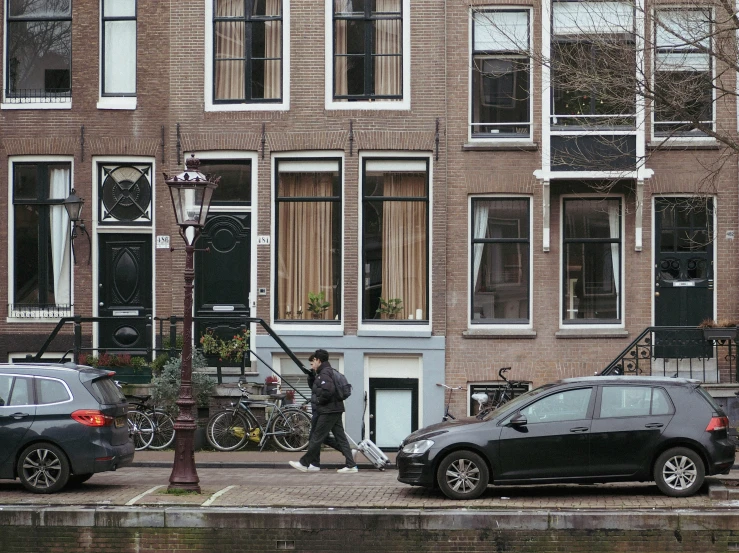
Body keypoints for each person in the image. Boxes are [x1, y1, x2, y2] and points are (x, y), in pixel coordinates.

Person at [289, 349, 358, 473]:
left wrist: (319, 401)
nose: (312, 363)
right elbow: (319, 388)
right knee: (340, 437)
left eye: (313, 361)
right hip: (335, 409)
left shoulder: (324, 373)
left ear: (318, 360)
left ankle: (304, 463)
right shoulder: (325, 372)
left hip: (328, 410)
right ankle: (351, 465)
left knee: (317, 436)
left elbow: (327, 391)